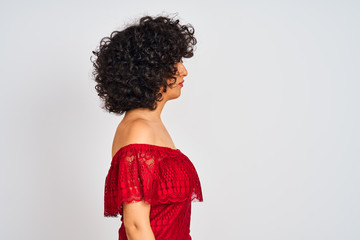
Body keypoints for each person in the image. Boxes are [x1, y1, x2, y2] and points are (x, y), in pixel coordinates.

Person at [91, 14, 204, 240]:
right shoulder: (138, 129)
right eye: (174, 62)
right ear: (149, 70)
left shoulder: (151, 125)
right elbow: (136, 226)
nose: (184, 70)